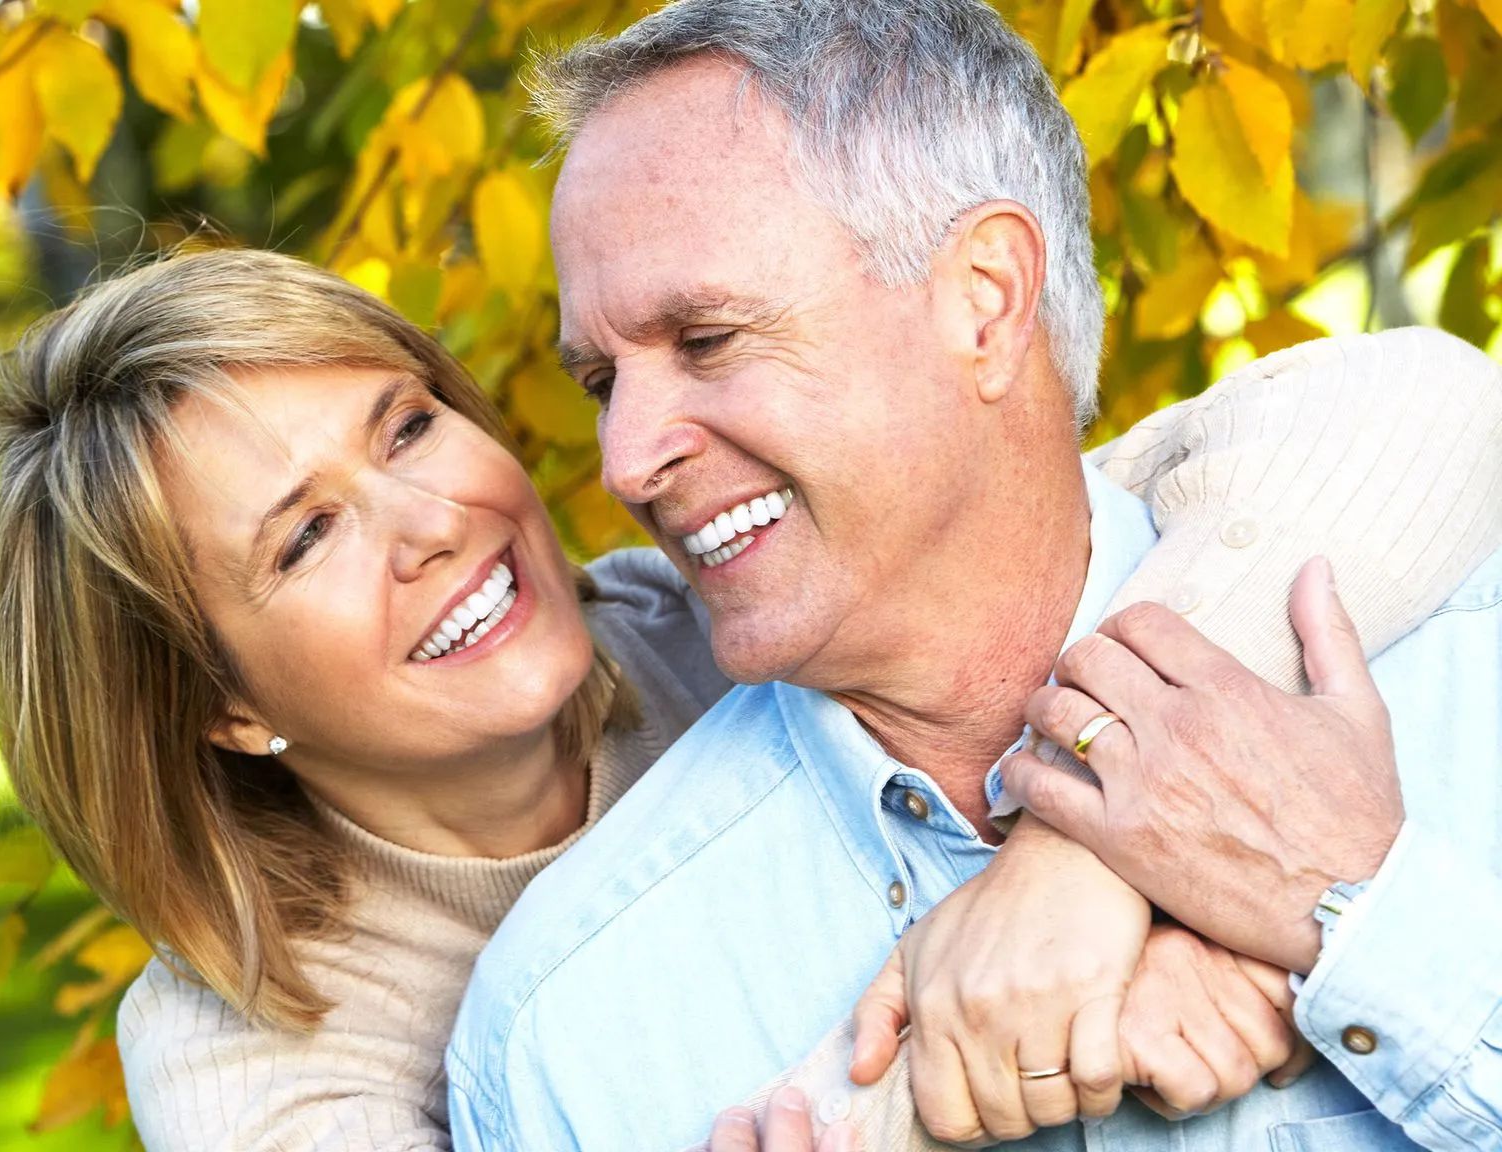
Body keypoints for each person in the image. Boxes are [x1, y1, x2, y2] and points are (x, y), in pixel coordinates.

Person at [0, 248, 1496, 1152]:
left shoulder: (720, 615)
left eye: (406, 428)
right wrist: (1062, 1017)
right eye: (308, 537)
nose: (432, 526)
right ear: (224, 710)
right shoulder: (254, 1048)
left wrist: (1090, 863)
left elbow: (1409, 413)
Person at [444, 2, 1502, 1150]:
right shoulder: (571, 1034)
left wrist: (1362, 927)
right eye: (602, 382)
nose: (626, 459)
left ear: (987, 301)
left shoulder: (1468, 657)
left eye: (707, 340)